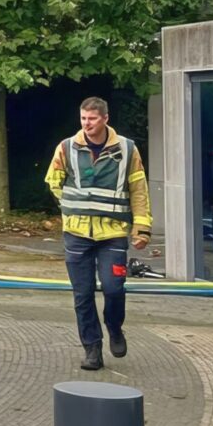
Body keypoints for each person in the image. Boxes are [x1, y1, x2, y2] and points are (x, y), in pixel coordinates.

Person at [45, 97, 151, 371]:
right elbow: (53, 181)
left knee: (114, 289)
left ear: (105, 118)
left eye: (91, 119)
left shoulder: (127, 149)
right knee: (82, 294)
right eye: (83, 118)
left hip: (113, 233)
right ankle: (92, 349)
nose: (86, 124)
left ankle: (115, 328)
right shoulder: (66, 147)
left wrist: (142, 228)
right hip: (77, 232)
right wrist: (72, 205)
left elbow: (139, 190)